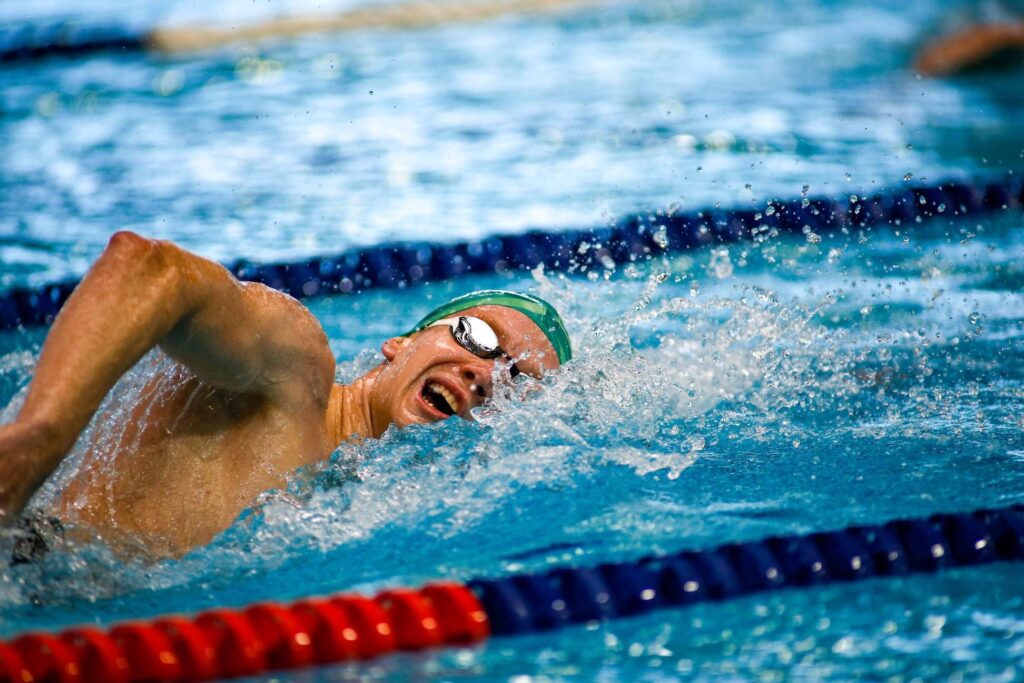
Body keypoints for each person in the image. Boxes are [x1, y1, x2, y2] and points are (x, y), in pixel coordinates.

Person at [0, 232, 571, 559]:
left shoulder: (367, 506)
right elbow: (150, 267)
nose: (485, 374)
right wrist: (38, 437)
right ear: (400, 343)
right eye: (478, 336)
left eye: (517, 381)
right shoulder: (295, 372)